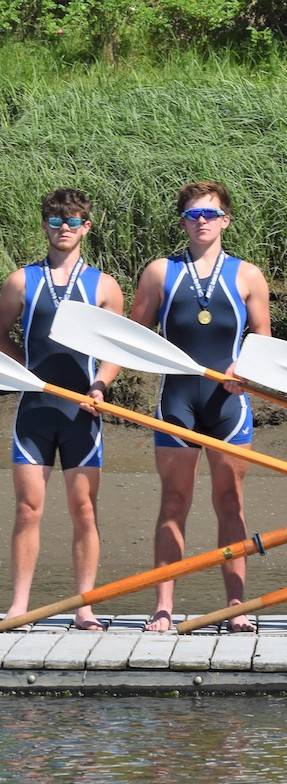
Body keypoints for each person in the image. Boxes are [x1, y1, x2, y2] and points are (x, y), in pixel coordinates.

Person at [98, 181, 271, 632]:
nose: (202, 222)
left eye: (210, 215)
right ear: (183, 222)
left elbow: (264, 341)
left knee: (230, 503)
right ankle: (163, 606)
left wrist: (247, 369)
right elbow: (131, 337)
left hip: (229, 404)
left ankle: (236, 605)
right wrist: (100, 383)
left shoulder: (248, 275)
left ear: (225, 221)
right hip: (177, 402)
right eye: (194, 215)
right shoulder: (159, 272)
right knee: (174, 501)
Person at [0, 188, 124, 630]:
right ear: (44, 226)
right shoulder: (20, 281)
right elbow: (0, 335)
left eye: (72, 221)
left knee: (84, 509)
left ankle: (84, 606)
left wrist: (100, 385)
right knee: (27, 509)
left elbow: (115, 350)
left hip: (82, 414)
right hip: (34, 408)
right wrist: (24, 370)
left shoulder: (104, 286)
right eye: (55, 221)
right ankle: (19, 606)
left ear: (86, 227)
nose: (64, 228)